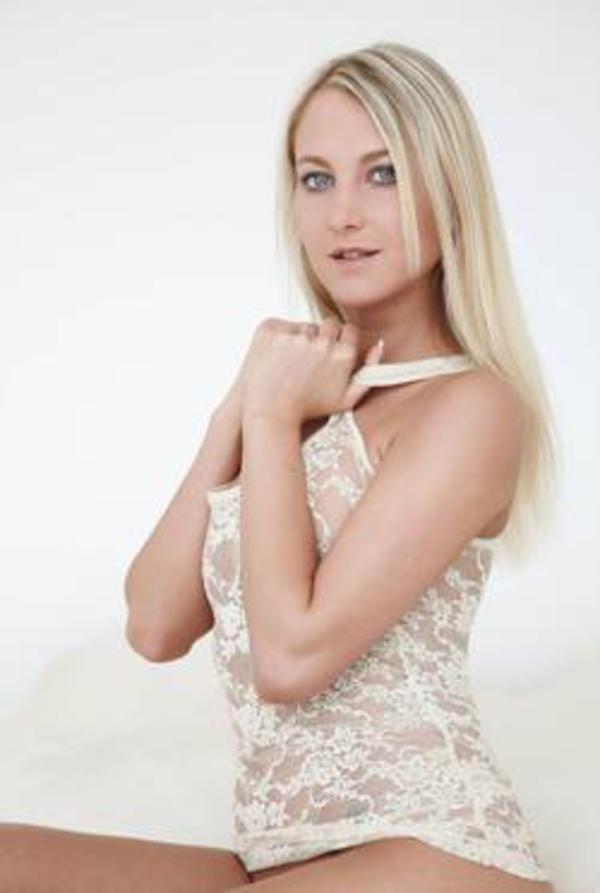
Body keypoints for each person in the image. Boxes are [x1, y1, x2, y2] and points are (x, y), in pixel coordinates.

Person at [0, 40, 560, 892]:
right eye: (316, 178)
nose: (344, 214)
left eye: (382, 174)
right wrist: (242, 401)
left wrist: (268, 417)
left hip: (431, 850)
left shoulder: (472, 405)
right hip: (278, 858)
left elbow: (291, 659)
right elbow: (154, 623)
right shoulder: (294, 397)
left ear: (449, 195)